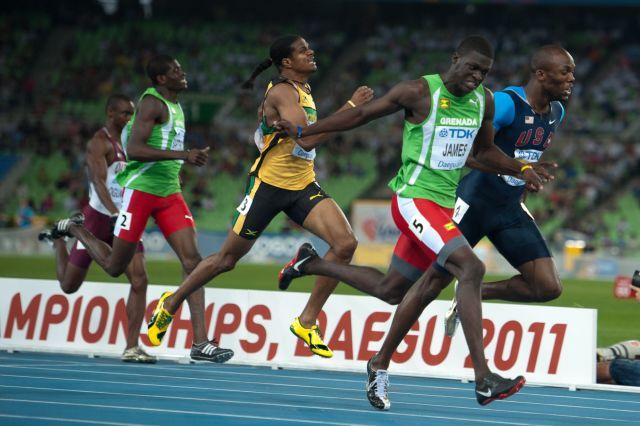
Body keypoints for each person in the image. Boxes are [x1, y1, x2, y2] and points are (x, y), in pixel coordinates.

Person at [275, 35, 551, 409]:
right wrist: (308, 130)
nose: (476, 77)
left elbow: (483, 152)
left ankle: (314, 265)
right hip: (413, 200)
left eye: (484, 72)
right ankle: (484, 377)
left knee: (392, 291)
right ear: (455, 59)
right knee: (470, 267)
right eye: (471, 67)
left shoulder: (483, 101)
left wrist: (521, 167)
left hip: (442, 204)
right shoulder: (418, 92)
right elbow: (359, 116)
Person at [145, 35, 374, 359]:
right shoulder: (282, 91)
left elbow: (305, 137)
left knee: (346, 244)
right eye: (302, 50)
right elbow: (306, 141)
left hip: (302, 185)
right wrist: (351, 108)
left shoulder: (303, 90)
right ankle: (169, 303)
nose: (311, 52)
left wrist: (348, 113)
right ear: (286, 63)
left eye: (309, 47)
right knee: (226, 261)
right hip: (268, 188)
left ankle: (307, 321)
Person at [50, 55, 233, 363]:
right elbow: (134, 150)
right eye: (175, 70)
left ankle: (200, 343)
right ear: (161, 79)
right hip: (141, 193)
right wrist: (185, 154)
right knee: (114, 267)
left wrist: (184, 158)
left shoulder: (176, 106)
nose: (183, 72)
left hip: (169, 193)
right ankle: (76, 229)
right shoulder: (151, 103)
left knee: (193, 262)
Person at [442, 44, 575, 336]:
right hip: (474, 201)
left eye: (572, 73)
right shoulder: (505, 103)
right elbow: (470, 154)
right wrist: (518, 169)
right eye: (565, 72)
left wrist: (524, 179)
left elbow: (524, 155)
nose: (571, 79)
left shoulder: (557, 112)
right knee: (431, 279)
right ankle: (385, 353)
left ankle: (473, 293)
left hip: (509, 207)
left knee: (547, 286)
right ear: (541, 74)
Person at [39, 94, 156, 363]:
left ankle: (131, 346)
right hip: (98, 219)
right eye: (125, 113)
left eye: (132, 113)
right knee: (69, 286)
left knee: (139, 279)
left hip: (124, 219)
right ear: (110, 113)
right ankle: (60, 239)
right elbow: (99, 183)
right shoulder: (99, 142)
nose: (130, 118)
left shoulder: (132, 142)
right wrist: (115, 213)